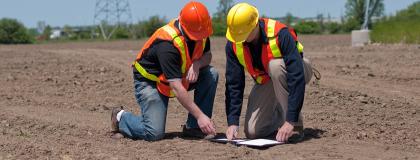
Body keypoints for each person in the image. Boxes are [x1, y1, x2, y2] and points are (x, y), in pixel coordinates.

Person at [110, 1, 218, 141]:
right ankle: (120, 117)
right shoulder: (167, 44)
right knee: (153, 133)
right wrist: (201, 116)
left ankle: (194, 127)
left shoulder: (200, 31)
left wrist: (197, 64)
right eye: (197, 34)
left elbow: (207, 55)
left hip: (176, 77)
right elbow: (177, 88)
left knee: (211, 74)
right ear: (185, 26)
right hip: (151, 82)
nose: (201, 38)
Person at [224, 3, 315, 143]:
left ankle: (295, 125)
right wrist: (232, 121)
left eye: (243, 34)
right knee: (253, 132)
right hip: (267, 80)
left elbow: (296, 75)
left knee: (275, 66)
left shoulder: (280, 33)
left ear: (255, 25)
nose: (239, 38)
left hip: (298, 71)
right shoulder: (234, 43)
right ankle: (280, 116)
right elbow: (234, 84)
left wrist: (291, 120)